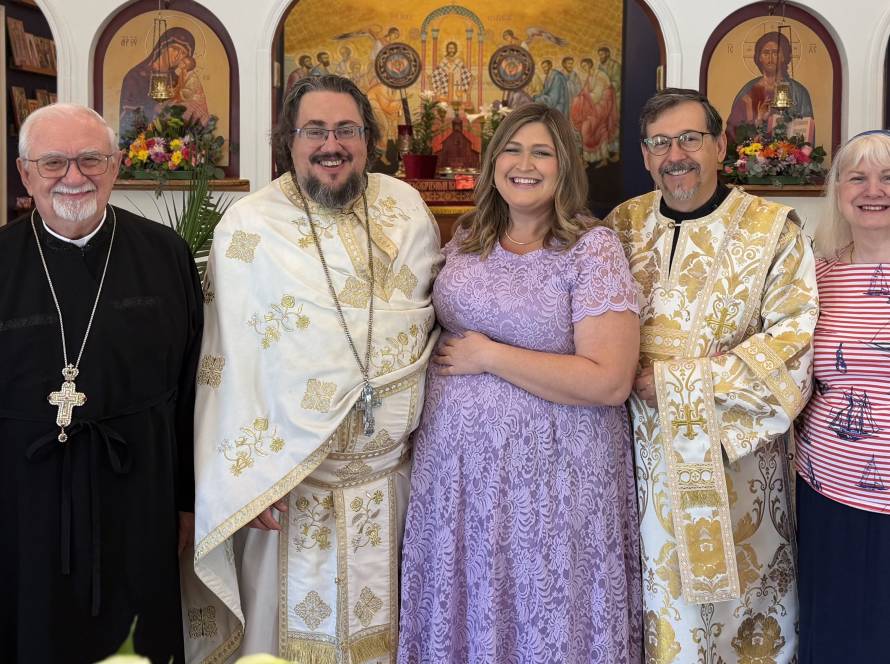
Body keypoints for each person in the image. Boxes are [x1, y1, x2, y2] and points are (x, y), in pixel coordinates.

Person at [180, 75, 442, 662]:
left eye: (346, 129)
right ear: (288, 142)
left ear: (368, 139)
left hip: (393, 486)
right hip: (291, 486)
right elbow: (226, 362)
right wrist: (250, 480)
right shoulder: (249, 226)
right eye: (315, 131)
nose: (332, 144)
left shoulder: (407, 209)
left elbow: (425, 322)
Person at [398, 103, 642, 662]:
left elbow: (609, 382)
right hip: (457, 477)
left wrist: (489, 355)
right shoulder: (467, 237)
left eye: (542, 152)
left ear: (565, 168)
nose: (524, 163)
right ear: (491, 163)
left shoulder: (591, 249)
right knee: (467, 606)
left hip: (553, 479)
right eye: (511, 148)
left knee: (544, 610)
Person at [605, 88, 817, 663]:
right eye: (661, 143)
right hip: (637, 467)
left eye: (691, 139)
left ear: (721, 144)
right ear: (646, 156)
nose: (677, 155)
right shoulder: (620, 227)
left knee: (737, 623)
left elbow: (793, 342)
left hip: (737, 472)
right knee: (650, 607)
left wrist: (676, 384)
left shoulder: (774, 229)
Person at [0, 104, 202, 663]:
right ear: (24, 173)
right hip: (21, 505)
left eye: (91, 159)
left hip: (140, 496)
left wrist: (187, 503)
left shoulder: (167, 256)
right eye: (54, 162)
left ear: (115, 167)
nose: (73, 176)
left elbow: (191, 391)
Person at [795, 129, 890, 663]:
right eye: (857, 176)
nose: (872, 189)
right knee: (832, 633)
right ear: (838, 191)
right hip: (827, 489)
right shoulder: (817, 274)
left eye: (887, 176)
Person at [726, 31, 814, 143]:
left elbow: (807, 129)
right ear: (759, 57)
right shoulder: (748, 91)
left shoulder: (798, 92)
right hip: (752, 155)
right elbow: (733, 131)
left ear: (784, 56)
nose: (771, 58)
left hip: (789, 157)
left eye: (775, 53)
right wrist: (758, 119)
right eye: (766, 53)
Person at [118, 27, 195, 136]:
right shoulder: (136, 76)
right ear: (163, 46)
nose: (177, 56)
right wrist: (154, 108)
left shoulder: (176, 80)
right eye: (175, 49)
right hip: (141, 144)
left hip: (168, 143)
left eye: (183, 53)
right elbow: (127, 115)